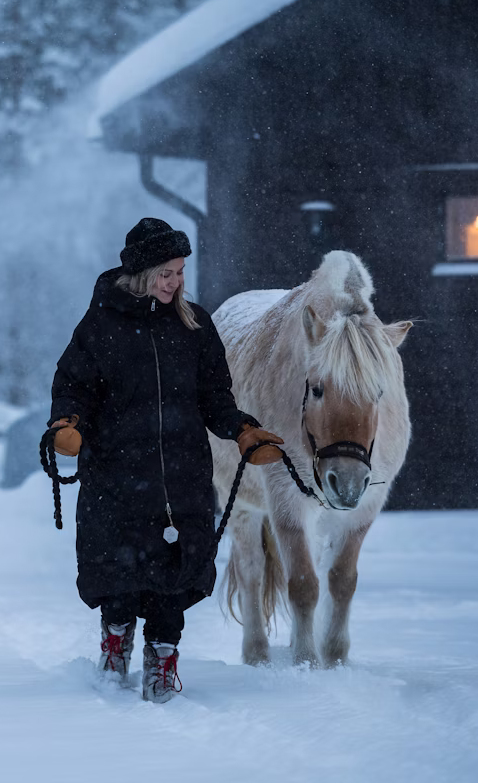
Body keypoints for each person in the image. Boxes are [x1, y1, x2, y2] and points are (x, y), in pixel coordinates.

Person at [49, 217, 283, 702]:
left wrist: (241, 430)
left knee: (172, 578)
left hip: (180, 477)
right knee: (118, 571)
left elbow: (215, 397)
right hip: (115, 475)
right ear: (140, 274)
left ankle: (162, 660)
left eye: (179, 272)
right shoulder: (100, 326)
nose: (175, 282)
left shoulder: (194, 325)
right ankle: (116, 640)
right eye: (165, 273)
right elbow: (73, 385)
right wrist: (67, 423)